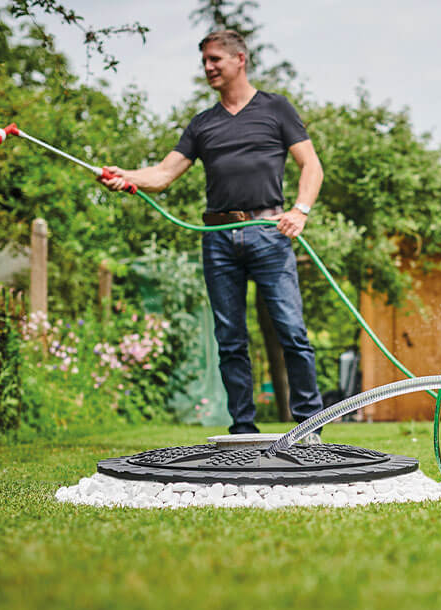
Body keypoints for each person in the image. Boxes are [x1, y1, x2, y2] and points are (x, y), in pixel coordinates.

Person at [100, 29, 324, 436]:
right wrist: (125, 175)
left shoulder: (276, 109)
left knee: (291, 331)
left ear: (240, 59)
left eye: (215, 59)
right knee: (230, 338)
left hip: (268, 233)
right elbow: (164, 174)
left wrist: (300, 210)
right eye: (204, 61)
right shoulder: (203, 124)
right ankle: (243, 428)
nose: (207, 68)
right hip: (218, 238)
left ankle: (309, 426)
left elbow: (312, 165)